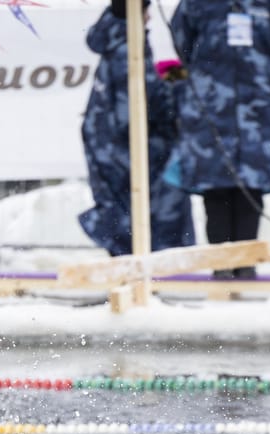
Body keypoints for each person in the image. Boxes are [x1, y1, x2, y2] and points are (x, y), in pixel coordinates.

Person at [167, 0, 270, 280]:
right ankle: (221, 265)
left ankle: (246, 263)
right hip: (210, 107)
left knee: (251, 185)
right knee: (215, 186)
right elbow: (182, 41)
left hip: (256, 108)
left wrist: (255, 73)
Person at [78, 0, 195, 257]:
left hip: (114, 152)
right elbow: (146, 104)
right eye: (144, 12)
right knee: (145, 225)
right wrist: (180, 87)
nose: (149, 18)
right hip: (129, 153)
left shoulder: (118, 43)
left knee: (126, 220)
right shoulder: (127, 46)